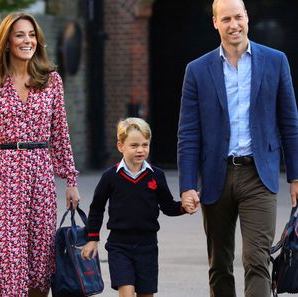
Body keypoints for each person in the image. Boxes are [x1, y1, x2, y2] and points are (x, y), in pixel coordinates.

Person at [177, 0, 298, 296]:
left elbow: (290, 123)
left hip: (260, 175)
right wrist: (188, 185)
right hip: (216, 176)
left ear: (247, 18)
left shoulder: (275, 60)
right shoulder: (197, 70)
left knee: (257, 259)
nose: (234, 25)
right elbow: (188, 133)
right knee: (219, 264)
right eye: (227, 18)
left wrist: (295, 176)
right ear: (215, 23)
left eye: (239, 17)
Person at [0, 12, 81, 297]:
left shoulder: (51, 81)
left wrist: (71, 180)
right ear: (6, 42)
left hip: (41, 175)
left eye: (31, 35)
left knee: (40, 267)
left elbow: (60, 134)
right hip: (7, 176)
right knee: (11, 261)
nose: (28, 41)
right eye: (20, 35)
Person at [81, 117, 193, 297]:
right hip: (119, 245)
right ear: (120, 146)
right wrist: (93, 238)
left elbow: (168, 206)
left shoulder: (156, 175)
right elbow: (97, 207)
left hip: (147, 245)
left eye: (145, 144)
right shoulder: (110, 177)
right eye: (134, 145)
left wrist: (184, 207)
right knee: (126, 292)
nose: (140, 150)